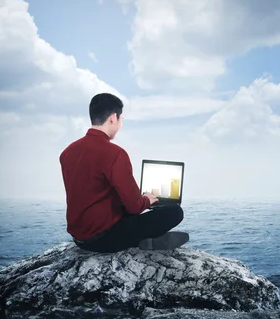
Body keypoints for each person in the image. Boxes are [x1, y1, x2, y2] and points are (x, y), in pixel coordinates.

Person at [59, 92, 189, 253]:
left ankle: (143, 238)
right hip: (104, 239)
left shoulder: (67, 152)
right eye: (121, 119)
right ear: (113, 118)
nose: (121, 124)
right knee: (175, 212)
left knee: (124, 206)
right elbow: (135, 207)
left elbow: (90, 193)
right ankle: (147, 241)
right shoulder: (115, 153)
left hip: (79, 238)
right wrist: (146, 200)